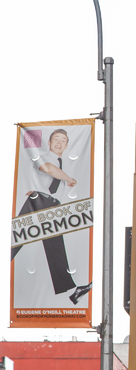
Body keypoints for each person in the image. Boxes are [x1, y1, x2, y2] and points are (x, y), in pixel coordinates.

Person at [11, 129, 92, 305]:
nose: (59, 143)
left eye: (63, 140)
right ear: (49, 142)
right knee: (16, 240)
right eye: (56, 139)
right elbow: (49, 169)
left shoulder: (60, 162)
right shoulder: (45, 158)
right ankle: (72, 289)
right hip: (39, 201)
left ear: (67, 145)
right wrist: (69, 179)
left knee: (52, 244)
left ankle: (72, 289)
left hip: (50, 204)